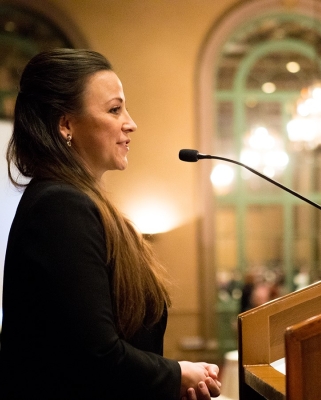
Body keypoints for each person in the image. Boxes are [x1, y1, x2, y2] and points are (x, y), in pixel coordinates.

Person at [0, 48, 221, 400]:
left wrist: (171, 377)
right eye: (114, 109)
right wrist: (175, 373)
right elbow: (95, 355)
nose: (130, 122)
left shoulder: (74, 202)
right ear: (65, 124)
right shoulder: (61, 207)